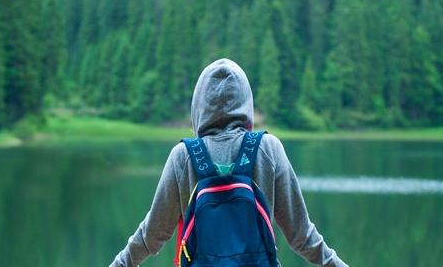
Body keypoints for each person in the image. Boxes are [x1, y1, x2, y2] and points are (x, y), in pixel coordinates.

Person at [109, 58, 348, 267]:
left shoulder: (182, 156)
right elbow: (301, 236)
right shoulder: (268, 148)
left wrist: (120, 264)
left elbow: (153, 235)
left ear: (198, 107)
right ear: (247, 103)